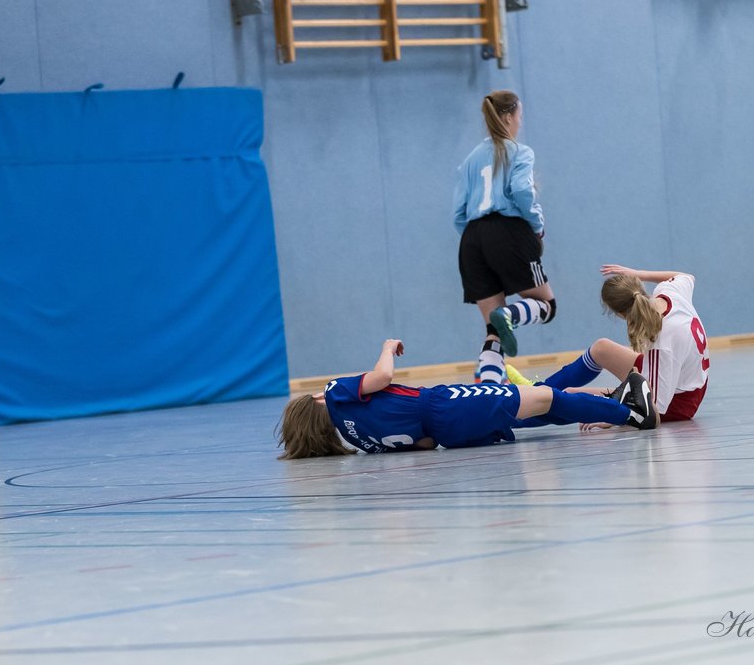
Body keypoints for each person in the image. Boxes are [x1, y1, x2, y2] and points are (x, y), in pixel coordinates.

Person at [277, 339, 657, 460]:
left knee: (533, 407)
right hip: (444, 405)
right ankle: (630, 413)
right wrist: (387, 347)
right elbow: (382, 377)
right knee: (542, 395)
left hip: (446, 432)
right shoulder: (334, 394)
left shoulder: (361, 441)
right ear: (315, 403)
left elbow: (423, 444)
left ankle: (615, 401)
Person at [512, 264, 709, 426]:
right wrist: (638, 273)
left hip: (679, 402)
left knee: (569, 395)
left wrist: (611, 417)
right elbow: (685, 275)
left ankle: (512, 416)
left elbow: (651, 410)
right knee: (602, 348)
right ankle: (536, 389)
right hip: (679, 379)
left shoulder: (661, 345)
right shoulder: (670, 293)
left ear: (621, 314)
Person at [453, 90, 553, 384]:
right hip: (508, 230)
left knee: (492, 332)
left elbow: (458, 214)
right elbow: (522, 192)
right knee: (546, 307)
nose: (520, 122)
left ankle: (488, 390)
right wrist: (536, 226)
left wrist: (479, 240)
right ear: (509, 117)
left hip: (471, 239)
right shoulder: (519, 151)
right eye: (519, 115)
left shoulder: (470, 160)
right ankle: (511, 314)